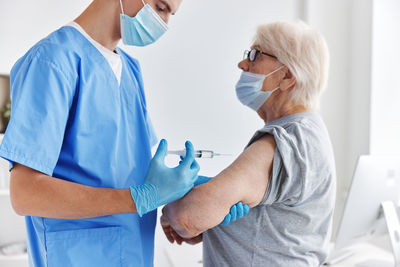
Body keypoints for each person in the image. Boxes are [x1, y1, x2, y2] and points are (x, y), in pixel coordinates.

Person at [0, 0, 245, 266]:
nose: (164, 24)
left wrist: (179, 197)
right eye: (161, 7)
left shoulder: (130, 70)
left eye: (171, 14)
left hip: (133, 253)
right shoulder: (52, 61)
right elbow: (25, 194)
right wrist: (140, 198)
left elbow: (127, 173)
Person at [161, 20, 336, 266]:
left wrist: (169, 202)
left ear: (286, 76)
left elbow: (187, 216)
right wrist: (215, 224)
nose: (242, 64)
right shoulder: (309, 133)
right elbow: (272, 226)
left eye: (255, 55)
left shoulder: (287, 141)